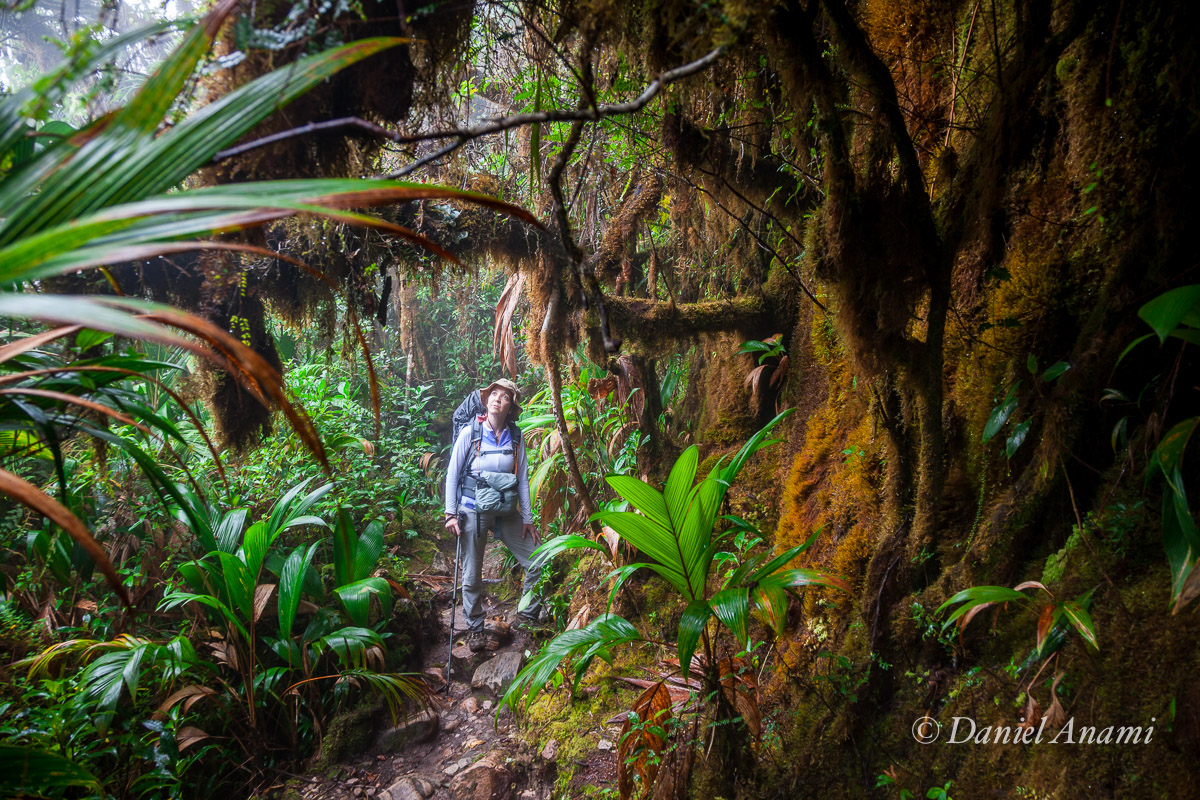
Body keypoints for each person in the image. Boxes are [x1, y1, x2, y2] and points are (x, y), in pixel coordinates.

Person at [443, 378, 542, 651]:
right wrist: (451, 514)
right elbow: (453, 474)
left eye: (505, 396)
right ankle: (474, 628)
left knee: (537, 558)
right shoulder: (470, 433)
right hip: (472, 509)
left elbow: (522, 479)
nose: (498, 398)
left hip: (505, 510)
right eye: (493, 394)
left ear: (511, 407)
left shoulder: (516, 436)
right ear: (486, 401)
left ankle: (526, 615)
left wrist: (528, 519)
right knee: (472, 573)